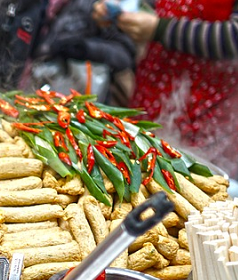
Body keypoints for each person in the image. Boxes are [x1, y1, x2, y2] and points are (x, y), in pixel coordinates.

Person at [93, 0, 238, 179]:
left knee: (192, 180)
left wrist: (159, 29)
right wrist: (120, 12)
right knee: (137, 167)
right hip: (153, 89)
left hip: (207, 108)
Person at [29, 0, 137, 106]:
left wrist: (85, 48)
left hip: (83, 88)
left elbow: (125, 56)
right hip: (44, 74)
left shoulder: (120, 9)